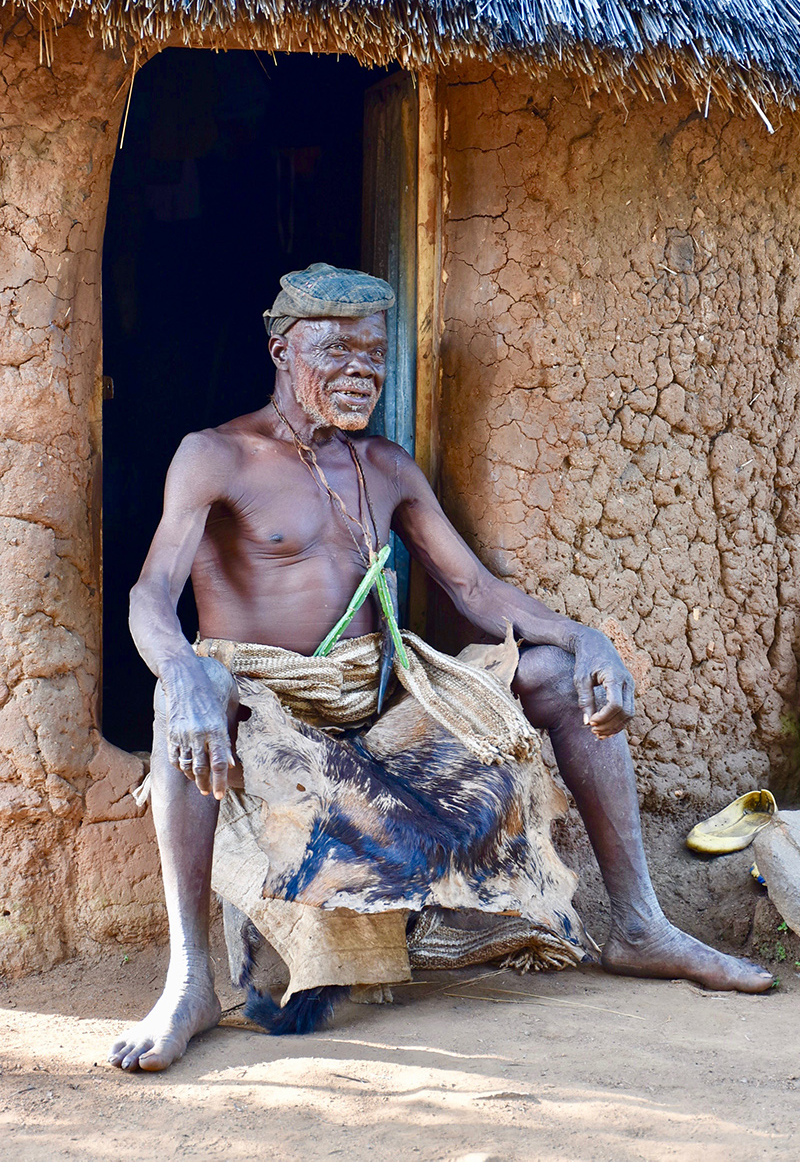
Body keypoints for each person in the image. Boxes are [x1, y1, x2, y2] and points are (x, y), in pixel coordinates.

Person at [109, 264, 772, 1073]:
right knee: (191, 692)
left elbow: (473, 588)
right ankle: (189, 981)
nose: (361, 369)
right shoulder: (215, 456)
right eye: (336, 349)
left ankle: (639, 926)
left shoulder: (384, 466)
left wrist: (588, 637)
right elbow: (151, 593)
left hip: (378, 702)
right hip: (266, 701)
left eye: (373, 352)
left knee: (560, 677)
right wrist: (176, 669)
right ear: (282, 348)